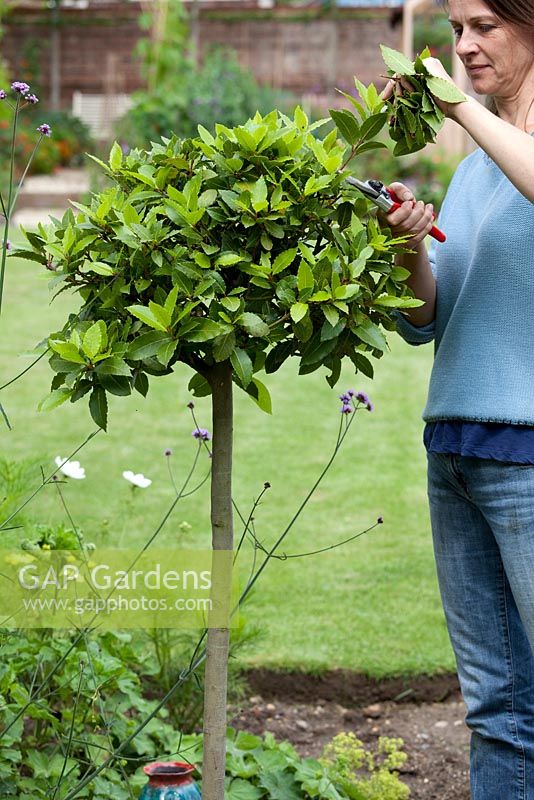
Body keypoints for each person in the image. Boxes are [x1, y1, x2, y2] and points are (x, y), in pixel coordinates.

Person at [382, 1, 534, 798]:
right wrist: (410, 251)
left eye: (486, 26)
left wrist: (459, 108)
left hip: (529, 459)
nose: (464, 46)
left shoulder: (502, 149)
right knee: (498, 708)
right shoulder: (477, 167)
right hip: (458, 454)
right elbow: (427, 323)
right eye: (456, 29)